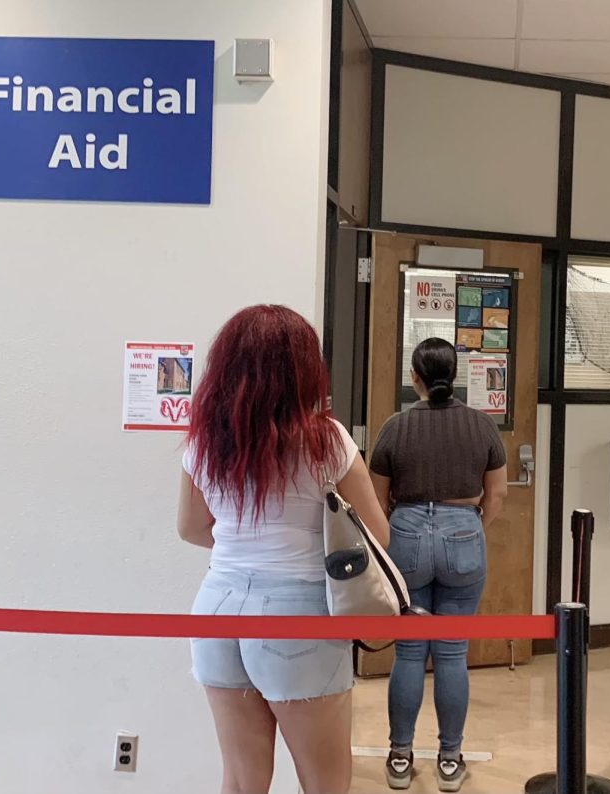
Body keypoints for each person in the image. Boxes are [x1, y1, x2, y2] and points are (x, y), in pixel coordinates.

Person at [177, 305, 389, 794]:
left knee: (241, 778)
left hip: (216, 608)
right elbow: (377, 534)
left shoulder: (205, 441)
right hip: (299, 615)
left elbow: (191, 528)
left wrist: (244, 542)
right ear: (303, 368)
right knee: (325, 782)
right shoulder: (326, 440)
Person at [369, 338, 508, 792]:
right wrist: (468, 524)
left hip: (406, 533)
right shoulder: (481, 426)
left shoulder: (396, 427)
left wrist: (406, 523)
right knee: (452, 652)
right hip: (463, 531)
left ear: (415, 379)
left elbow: (376, 497)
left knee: (409, 651)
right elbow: (498, 495)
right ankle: (450, 760)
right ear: (456, 374)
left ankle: (400, 757)